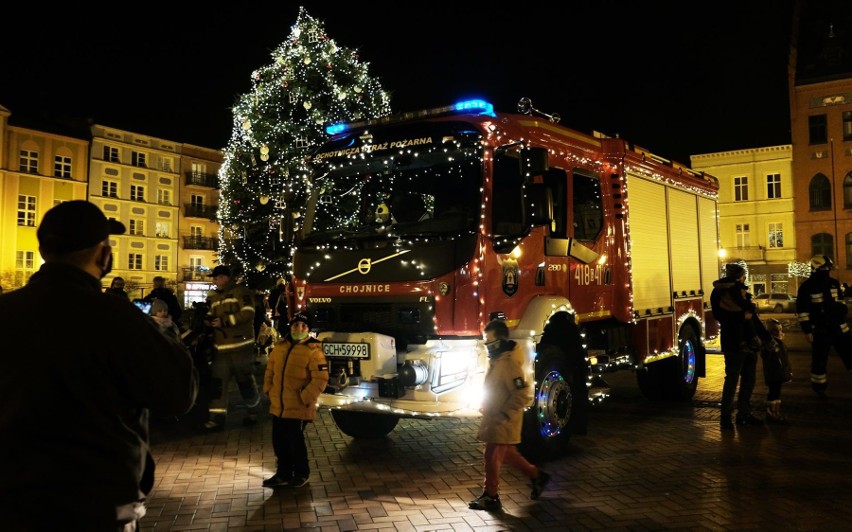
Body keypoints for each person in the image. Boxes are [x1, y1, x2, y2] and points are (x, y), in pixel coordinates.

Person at [0, 200, 198, 530]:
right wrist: (168, 336)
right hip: (98, 502)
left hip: (13, 502)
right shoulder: (115, 317)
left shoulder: (5, 312)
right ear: (103, 255)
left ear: (44, 250)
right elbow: (178, 393)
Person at [468, 319, 551, 511]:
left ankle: (491, 496)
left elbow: (522, 393)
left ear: (499, 340)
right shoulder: (498, 360)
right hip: (496, 418)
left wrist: (504, 414)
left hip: (503, 420)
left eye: (488, 340)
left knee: (491, 456)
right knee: (506, 455)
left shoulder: (508, 362)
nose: (486, 344)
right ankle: (536, 476)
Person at [262, 311, 329, 488]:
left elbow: (320, 379)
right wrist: (268, 389)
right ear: (290, 326)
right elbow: (270, 370)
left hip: (298, 405)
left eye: (303, 326)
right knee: (279, 440)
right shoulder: (280, 347)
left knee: (294, 441)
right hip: (279, 404)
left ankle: (301, 473)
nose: (299, 328)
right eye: (296, 325)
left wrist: (304, 397)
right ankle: (283, 473)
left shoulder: (314, 351)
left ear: (308, 329)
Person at [203, 265, 262, 429]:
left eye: (217, 277)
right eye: (214, 278)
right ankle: (216, 419)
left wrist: (225, 321)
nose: (215, 281)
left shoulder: (241, 292)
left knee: (245, 381)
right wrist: (206, 320)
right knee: (218, 384)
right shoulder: (215, 298)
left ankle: (253, 412)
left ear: (226, 277)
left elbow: (248, 312)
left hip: (240, 348)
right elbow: (210, 315)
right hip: (221, 349)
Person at [711, 263, 766, 429]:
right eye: (744, 275)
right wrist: (745, 317)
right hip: (741, 341)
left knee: (735, 380)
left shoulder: (719, 293)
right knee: (742, 380)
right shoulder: (736, 292)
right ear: (740, 276)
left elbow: (722, 316)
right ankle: (737, 415)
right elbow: (747, 317)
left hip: (734, 341)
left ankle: (732, 416)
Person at [796, 255, 852, 398]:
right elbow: (802, 311)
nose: (827, 270)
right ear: (816, 268)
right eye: (824, 268)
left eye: (829, 268)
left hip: (840, 328)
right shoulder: (807, 287)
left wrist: (841, 310)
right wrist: (807, 331)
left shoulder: (834, 283)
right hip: (821, 330)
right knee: (819, 361)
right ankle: (819, 388)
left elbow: (841, 303)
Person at [762, 318, 793, 424]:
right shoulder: (770, 343)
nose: (780, 332)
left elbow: (785, 359)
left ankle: (775, 411)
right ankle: (771, 412)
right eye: (777, 330)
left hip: (779, 373)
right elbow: (767, 356)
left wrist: (788, 370)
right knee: (773, 392)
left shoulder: (779, 343)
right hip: (773, 373)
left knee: (777, 392)